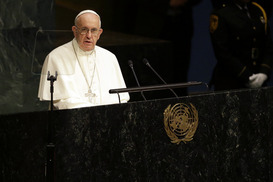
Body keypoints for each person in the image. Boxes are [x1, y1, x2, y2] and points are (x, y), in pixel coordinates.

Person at [38, 10, 130, 109]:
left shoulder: (109, 58)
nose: (89, 36)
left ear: (99, 33)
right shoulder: (56, 57)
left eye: (94, 30)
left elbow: (121, 98)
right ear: (74, 30)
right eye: (84, 30)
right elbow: (61, 102)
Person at [209, 0, 273, 91]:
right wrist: (247, 76)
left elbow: (268, 46)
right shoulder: (221, 13)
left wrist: (264, 73)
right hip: (231, 82)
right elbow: (222, 53)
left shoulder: (258, 10)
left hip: (259, 79)